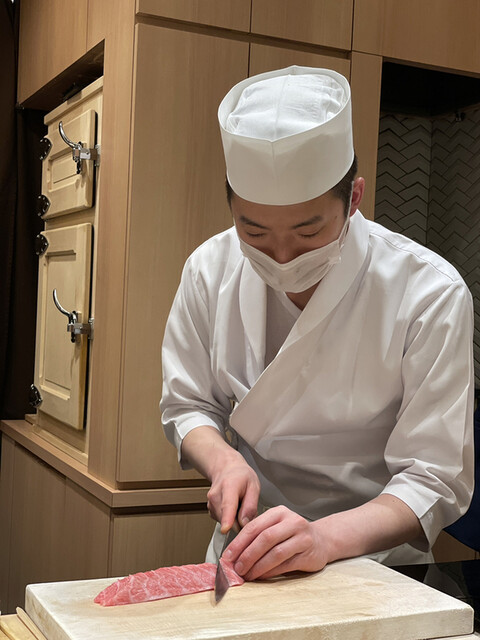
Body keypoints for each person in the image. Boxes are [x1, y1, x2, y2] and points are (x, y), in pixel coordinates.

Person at [160, 66, 474, 580]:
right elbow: (187, 404)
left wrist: (324, 538)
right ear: (232, 207)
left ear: (354, 199)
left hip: (377, 565)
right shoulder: (209, 270)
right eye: (254, 233)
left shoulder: (427, 292)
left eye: (308, 233)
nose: (282, 258)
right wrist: (223, 461)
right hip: (251, 551)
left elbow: (433, 477)